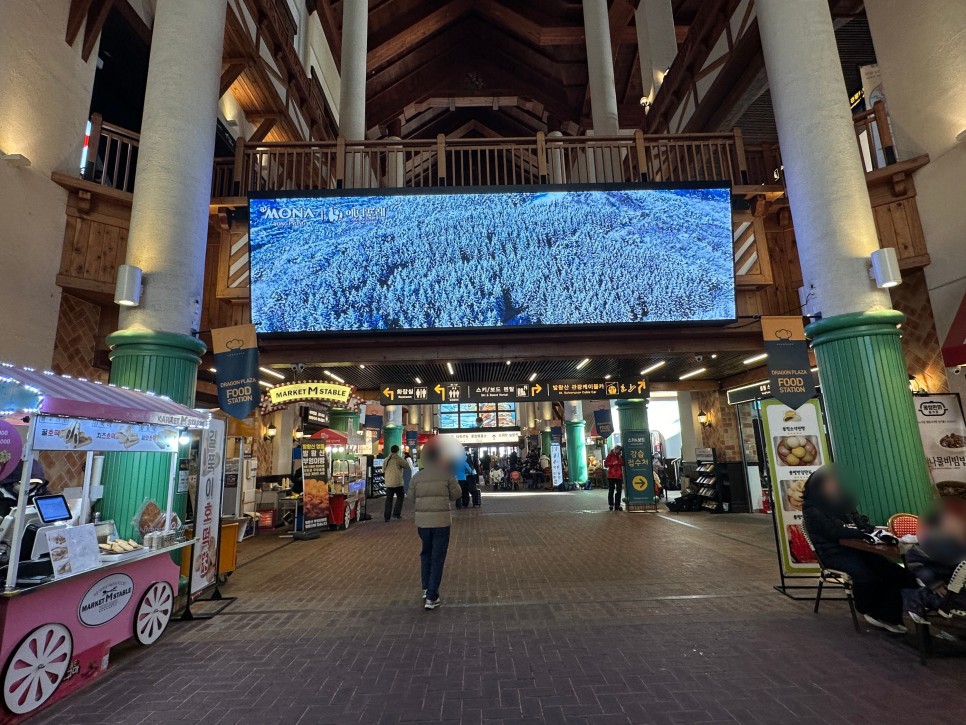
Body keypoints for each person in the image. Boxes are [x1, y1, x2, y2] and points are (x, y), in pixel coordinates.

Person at [802, 466, 915, 633]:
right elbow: (833, 532)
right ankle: (868, 608)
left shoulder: (843, 502)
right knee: (867, 576)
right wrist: (862, 534)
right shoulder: (812, 507)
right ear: (818, 487)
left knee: (892, 571)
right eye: (829, 483)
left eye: (835, 483)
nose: (834, 486)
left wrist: (874, 532)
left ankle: (891, 615)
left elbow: (860, 523)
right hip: (833, 553)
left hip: (857, 549)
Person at [410, 442, 462, 610]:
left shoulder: (417, 477)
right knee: (437, 557)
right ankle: (432, 596)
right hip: (441, 523)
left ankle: (426, 589)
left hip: (423, 524)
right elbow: (456, 494)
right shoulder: (446, 475)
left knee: (426, 553)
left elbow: (410, 496)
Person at [902, 497, 966, 622]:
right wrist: (934, 583)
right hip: (945, 585)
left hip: (959, 585)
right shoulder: (937, 543)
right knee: (951, 599)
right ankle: (917, 598)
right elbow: (914, 560)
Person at [383, 445, 407, 521]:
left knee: (388, 500)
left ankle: (387, 517)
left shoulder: (386, 459)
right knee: (400, 497)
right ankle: (396, 513)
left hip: (389, 483)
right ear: (397, 451)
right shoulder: (398, 459)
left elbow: (383, 469)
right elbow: (406, 465)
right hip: (397, 482)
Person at [604, 446, 625, 511]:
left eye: (620, 450)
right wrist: (613, 463)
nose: (619, 451)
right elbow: (605, 464)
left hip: (619, 476)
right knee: (611, 490)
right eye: (618, 450)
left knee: (619, 490)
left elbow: (623, 463)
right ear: (615, 449)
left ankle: (617, 505)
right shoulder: (610, 455)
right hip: (611, 475)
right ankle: (611, 504)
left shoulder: (620, 456)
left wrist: (620, 459)